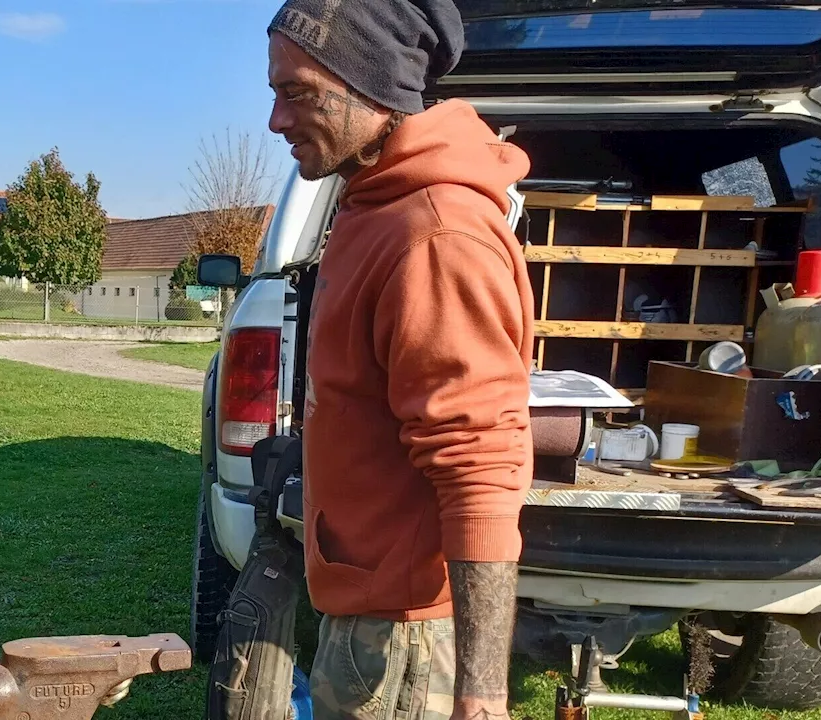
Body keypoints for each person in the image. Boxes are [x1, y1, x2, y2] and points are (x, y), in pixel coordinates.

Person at [265, 2, 534, 719]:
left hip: (404, 650)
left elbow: (481, 466)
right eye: (275, 92)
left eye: (297, 92)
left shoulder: (434, 235)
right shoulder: (372, 203)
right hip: (368, 624)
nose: (276, 121)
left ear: (371, 87)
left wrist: (481, 695)